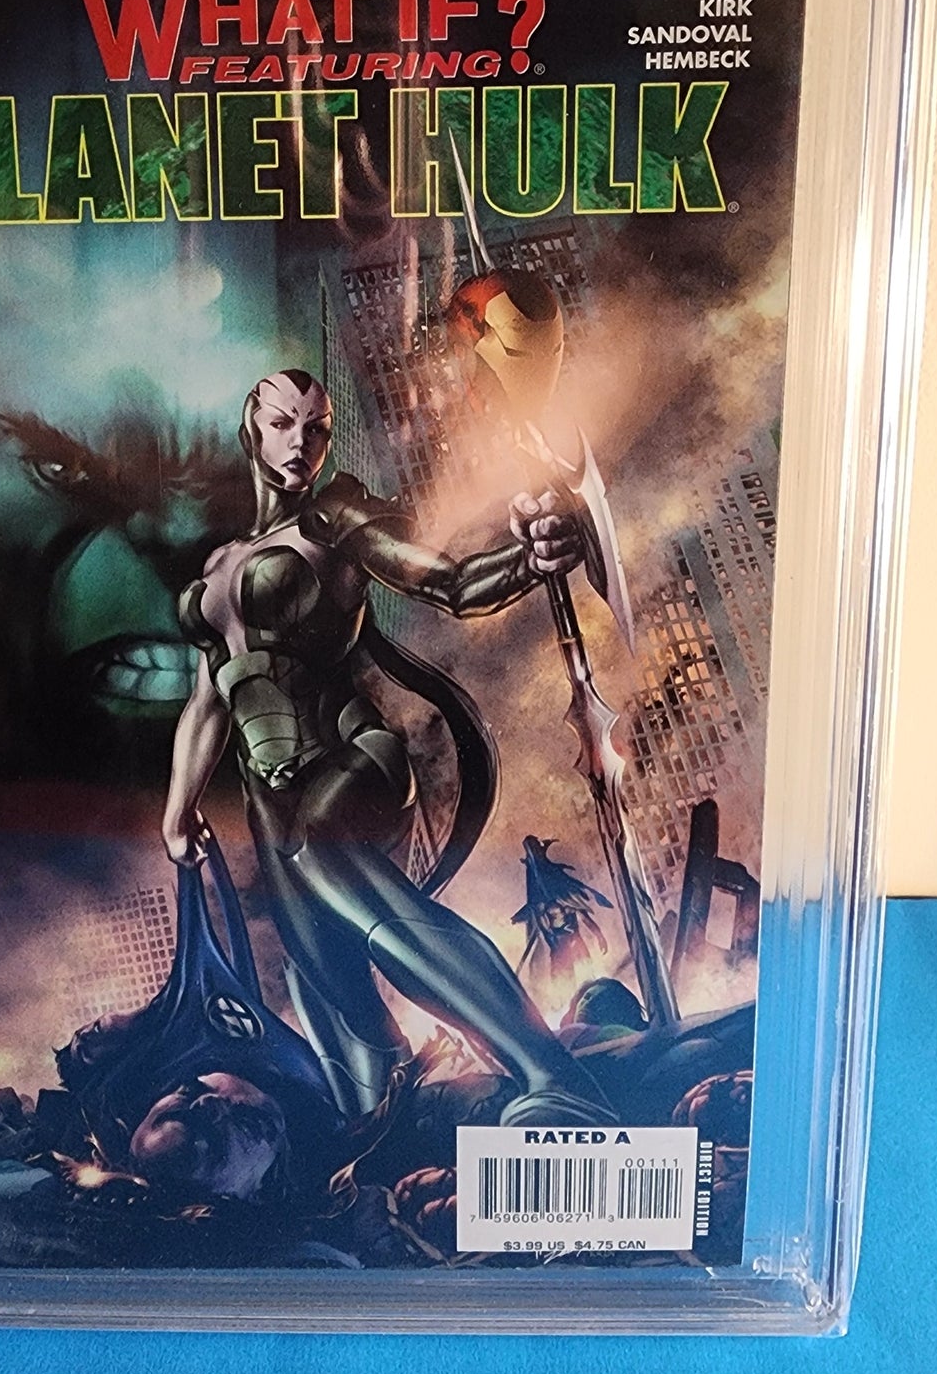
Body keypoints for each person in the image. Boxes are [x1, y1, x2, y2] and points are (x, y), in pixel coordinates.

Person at [162, 368, 612, 1126]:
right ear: (251, 432)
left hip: (351, 755)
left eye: (316, 427)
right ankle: (394, 1115)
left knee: (343, 874)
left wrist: (530, 557)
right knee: (323, 969)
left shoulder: (337, 519)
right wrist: (179, 810)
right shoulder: (216, 566)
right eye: (282, 423)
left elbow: (450, 583)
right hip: (269, 798)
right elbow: (210, 699)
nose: (300, 441)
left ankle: (549, 1071)